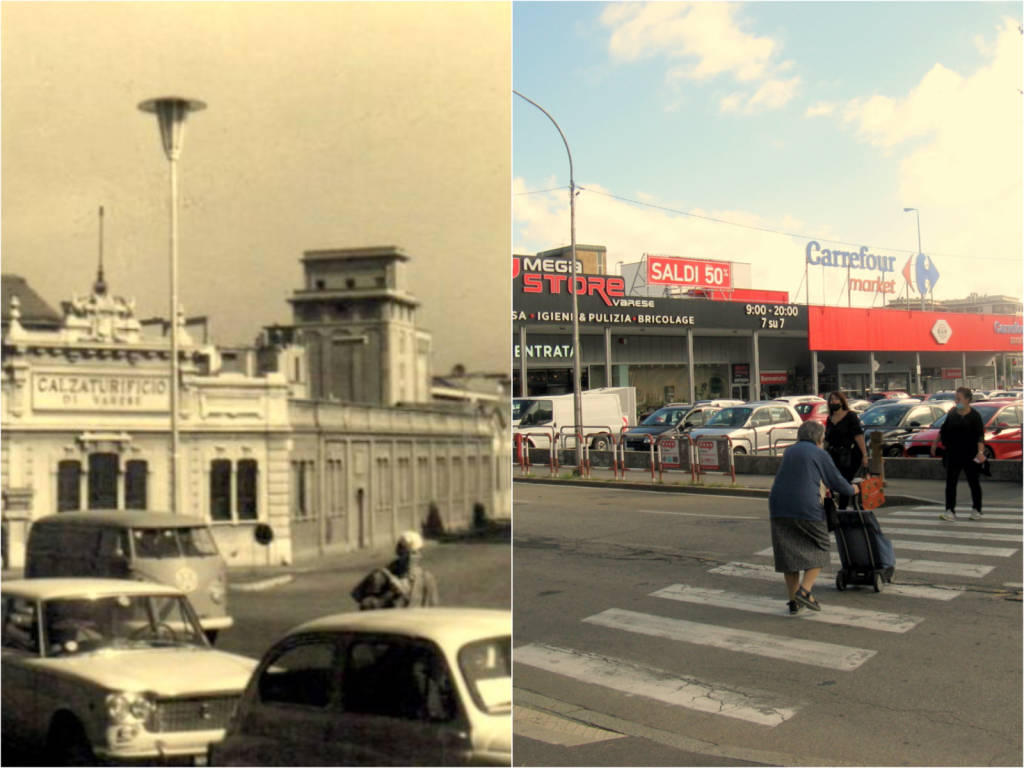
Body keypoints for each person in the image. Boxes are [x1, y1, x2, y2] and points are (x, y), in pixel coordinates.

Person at [770, 420, 859, 614]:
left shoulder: (789, 451)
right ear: (819, 437)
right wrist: (853, 488)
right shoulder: (819, 453)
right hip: (805, 507)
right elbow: (836, 481)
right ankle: (804, 591)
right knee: (821, 546)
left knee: (789, 554)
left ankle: (794, 601)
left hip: (778, 506)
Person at [932, 386, 985, 521]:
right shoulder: (952, 414)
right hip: (953, 453)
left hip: (970, 454)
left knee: (973, 482)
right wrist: (935, 443)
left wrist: (980, 452)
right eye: (956, 399)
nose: (956, 402)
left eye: (959, 399)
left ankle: (976, 509)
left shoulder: (975, 416)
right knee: (951, 483)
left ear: (967, 400)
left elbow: (980, 436)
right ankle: (950, 510)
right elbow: (943, 430)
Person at [351, 530, 439, 610]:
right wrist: (389, 594)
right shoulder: (379, 577)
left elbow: (433, 610)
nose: (410, 558)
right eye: (406, 553)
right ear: (399, 552)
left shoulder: (426, 579)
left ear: (420, 554)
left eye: (414, 553)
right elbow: (365, 609)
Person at [823, 391, 869, 510]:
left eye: (836, 399)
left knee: (845, 481)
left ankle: (842, 509)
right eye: (831, 400)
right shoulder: (830, 419)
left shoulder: (850, 416)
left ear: (842, 401)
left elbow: (858, 436)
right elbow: (827, 439)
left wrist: (864, 455)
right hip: (834, 456)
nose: (833, 402)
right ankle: (836, 507)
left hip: (850, 456)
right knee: (831, 482)